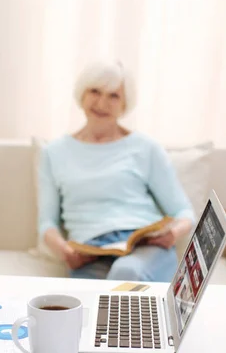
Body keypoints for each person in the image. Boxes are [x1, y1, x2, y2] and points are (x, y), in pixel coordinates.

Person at [38, 60, 194, 282]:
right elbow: (47, 223)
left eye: (114, 96)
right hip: (89, 253)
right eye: (95, 91)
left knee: (126, 272)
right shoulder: (53, 153)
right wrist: (64, 250)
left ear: (124, 105)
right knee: (92, 306)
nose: (102, 103)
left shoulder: (145, 147)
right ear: (82, 94)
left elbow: (184, 212)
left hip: (143, 247)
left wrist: (173, 234)